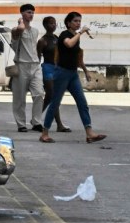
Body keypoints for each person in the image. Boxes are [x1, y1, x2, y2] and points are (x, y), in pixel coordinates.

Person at [39, 11, 107, 144]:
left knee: (82, 103)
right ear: (68, 23)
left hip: (73, 73)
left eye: (79, 21)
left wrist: (86, 71)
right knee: (55, 103)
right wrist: (81, 32)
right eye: (75, 21)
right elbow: (68, 44)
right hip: (62, 73)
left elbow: (78, 56)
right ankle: (44, 133)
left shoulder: (76, 36)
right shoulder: (65, 34)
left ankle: (89, 132)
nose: (78, 23)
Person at [9, 3, 46, 132]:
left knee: (39, 93)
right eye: (28, 12)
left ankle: (36, 122)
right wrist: (21, 22)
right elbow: (19, 30)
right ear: (22, 14)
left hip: (35, 65)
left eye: (32, 13)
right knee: (19, 97)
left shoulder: (35, 31)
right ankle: (21, 124)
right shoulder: (16, 29)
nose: (31, 15)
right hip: (21, 65)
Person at [37, 16, 70, 133]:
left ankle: (36, 118)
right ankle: (58, 124)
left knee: (51, 97)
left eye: (55, 23)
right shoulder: (42, 41)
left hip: (57, 69)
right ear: (45, 25)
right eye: (51, 23)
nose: (54, 25)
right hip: (47, 68)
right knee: (51, 94)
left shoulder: (57, 38)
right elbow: (37, 58)